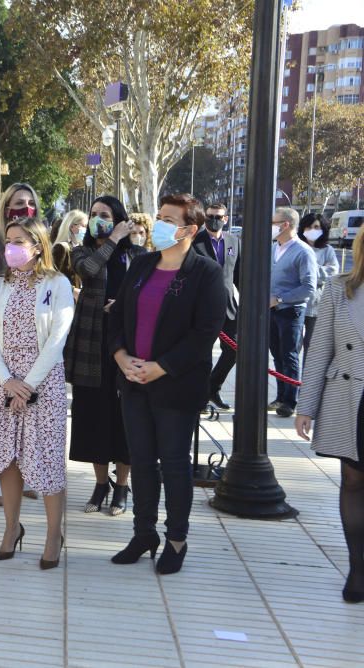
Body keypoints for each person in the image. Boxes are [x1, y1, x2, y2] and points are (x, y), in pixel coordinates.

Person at [109, 193, 226, 575]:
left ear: (190, 229)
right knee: (141, 462)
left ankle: (176, 538)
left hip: (175, 385)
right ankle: (144, 533)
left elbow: (205, 331)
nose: (158, 225)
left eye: (167, 219)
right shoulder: (141, 265)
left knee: (174, 464)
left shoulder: (205, 272)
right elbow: (117, 317)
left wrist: (161, 367)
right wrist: (121, 356)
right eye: (158, 217)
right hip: (133, 381)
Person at [0, 218, 74, 567]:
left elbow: (57, 338)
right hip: (1, 382)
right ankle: (10, 528)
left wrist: (29, 384)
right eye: (9, 241)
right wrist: (7, 380)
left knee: (45, 458)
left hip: (43, 381)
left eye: (20, 241)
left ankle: (53, 534)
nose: (12, 247)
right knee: (7, 458)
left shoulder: (58, 284)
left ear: (38, 245)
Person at [295, 232, 364, 603]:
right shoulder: (341, 289)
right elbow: (320, 348)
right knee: (353, 480)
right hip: (350, 397)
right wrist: (306, 406)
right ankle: (357, 566)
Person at [65, 196, 145, 515]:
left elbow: (147, 294)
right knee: (93, 416)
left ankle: (122, 486)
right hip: (91, 343)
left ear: (120, 219)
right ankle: (100, 484)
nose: (99, 219)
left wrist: (124, 306)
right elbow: (88, 269)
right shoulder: (83, 251)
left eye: (106, 215)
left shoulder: (137, 255)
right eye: (94, 214)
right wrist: (111, 239)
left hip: (126, 343)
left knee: (122, 415)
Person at [269, 207, 317, 418]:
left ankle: (290, 400)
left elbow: (309, 287)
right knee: (277, 355)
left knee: (289, 356)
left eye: (274, 223)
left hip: (291, 312)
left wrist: (280, 298)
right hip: (271, 312)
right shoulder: (273, 248)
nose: (271, 226)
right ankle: (280, 396)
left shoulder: (303, 251)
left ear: (285, 225)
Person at [194, 202, 241, 410]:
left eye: (218, 216)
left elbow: (238, 275)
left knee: (234, 351)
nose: (214, 219)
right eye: (210, 216)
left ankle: (213, 388)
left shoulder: (234, 241)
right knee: (201, 354)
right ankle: (199, 396)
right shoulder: (195, 241)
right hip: (202, 308)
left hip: (229, 308)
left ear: (226, 218)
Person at [298, 213, 339, 359]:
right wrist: (319, 270)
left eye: (316, 227)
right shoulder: (297, 247)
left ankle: (306, 379)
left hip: (316, 306)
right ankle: (291, 379)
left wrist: (309, 269)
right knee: (293, 346)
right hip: (296, 303)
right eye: (309, 227)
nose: (312, 230)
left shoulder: (328, 250)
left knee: (311, 346)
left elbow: (332, 272)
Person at [52, 210, 87, 296]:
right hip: (65, 300)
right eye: (84, 226)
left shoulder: (82, 248)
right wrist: (74, 291)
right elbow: (54, 278)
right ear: (72, 227)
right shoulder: (61, 248)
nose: (86, 230)